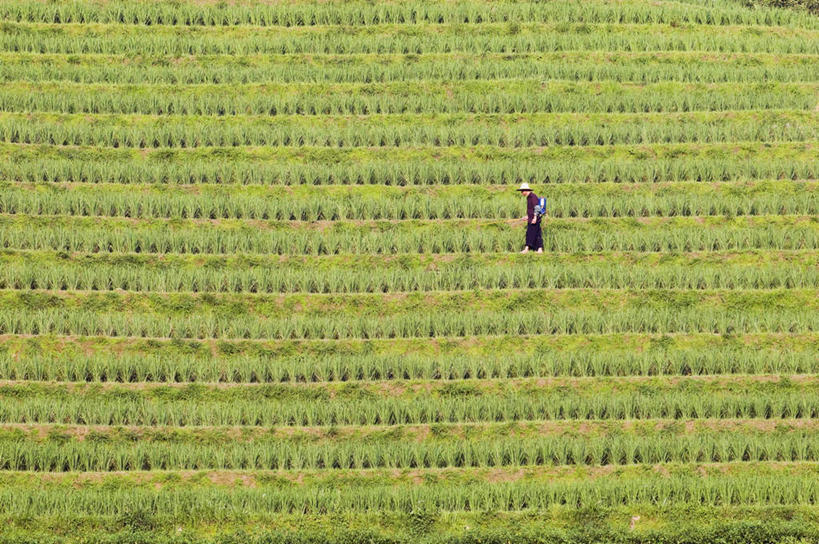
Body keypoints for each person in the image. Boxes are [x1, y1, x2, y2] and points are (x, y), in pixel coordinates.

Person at [517, 183, 543, 254]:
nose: (521, 192)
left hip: (534, 219)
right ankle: (539, 249)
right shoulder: (528, 197)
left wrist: (535, 218)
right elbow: (531, 210)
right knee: (537, 234)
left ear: (526, 190)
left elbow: (537, 207)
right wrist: (527, 217)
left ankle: (527, 249)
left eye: (522, 191)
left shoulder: (533, 196)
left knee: (529, 233)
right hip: (531, 219)